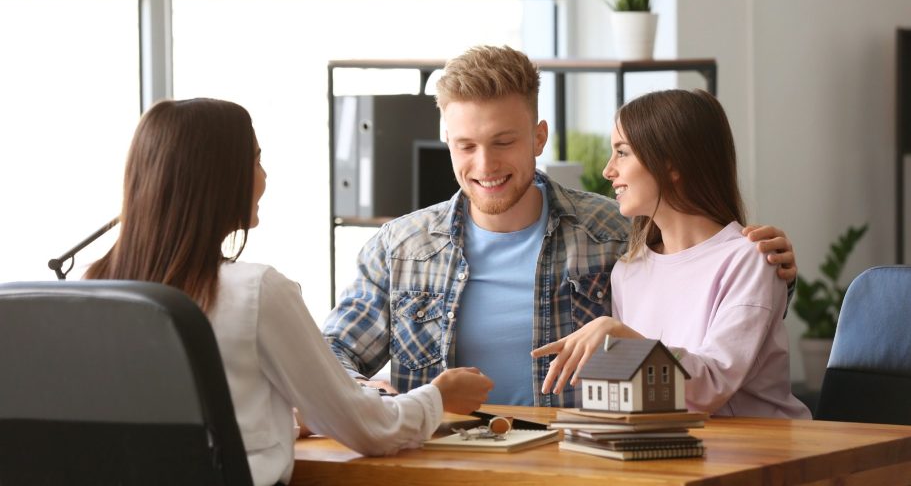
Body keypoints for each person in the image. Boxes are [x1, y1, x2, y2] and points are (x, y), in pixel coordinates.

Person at [322, 45, 799, 408]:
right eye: (465, 145)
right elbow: (331, 354)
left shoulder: (616, 234)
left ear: (538, 137)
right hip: (443, 465)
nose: (484, 164)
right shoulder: (400, 248)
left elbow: (701, 287)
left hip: (574, 466)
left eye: (503, 141)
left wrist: (773, 269)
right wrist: (378, 397)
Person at [84, 98, 493, 486]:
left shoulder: (92, 291)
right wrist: (438, 396)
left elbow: (194, 424)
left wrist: (295, 419)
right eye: (257, 160)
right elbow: (370, 430)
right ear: (219, 178)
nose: (264, 176)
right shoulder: (256, 291)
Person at [531, 89, 810, 418]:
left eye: (622, 152)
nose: (608, 170)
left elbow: (709, 387)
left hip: (760, 457)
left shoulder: (748, 260)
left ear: (672, 164)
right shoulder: (628, 271)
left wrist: (623, 337)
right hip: (674, 453)